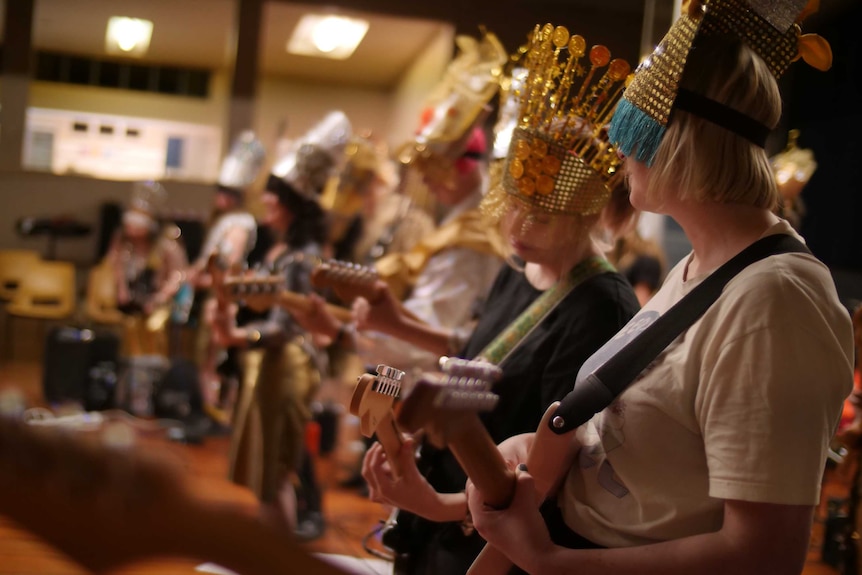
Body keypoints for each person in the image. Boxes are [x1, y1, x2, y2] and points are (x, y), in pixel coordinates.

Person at [465, 2, 854, 574]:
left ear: (675, 137)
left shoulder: (774, 302)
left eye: (629, 129)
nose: (616, 150)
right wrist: (541, 451)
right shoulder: (701, 267)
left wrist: (551, 564)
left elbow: (764, 554)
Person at [309, 24, 639, 574]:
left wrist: (436, 506)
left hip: (496, 539)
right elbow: (485, 354)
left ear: (584, 214)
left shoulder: (600, 307)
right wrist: (400, 324)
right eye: (513, 204)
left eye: (541, 214)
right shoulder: (522, 270)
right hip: (447, 508)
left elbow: (554, 469)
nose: (517, 225)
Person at [212, 111, 351, 541]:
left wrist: (239, 335)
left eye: (273, 194)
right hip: (270, 366)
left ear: (290, 200)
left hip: (284, 364)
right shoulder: (287, 249)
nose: (265, 201)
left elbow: (286, 325)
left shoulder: (299, 256)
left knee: (272, 476)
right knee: (267, 477)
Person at [190, 131, 266, 418]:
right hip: (214, 289)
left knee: (214, 353)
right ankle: (207, 405)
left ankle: (214, 408)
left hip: (224, 294)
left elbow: (229, 264)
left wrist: (204, 279)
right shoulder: (223, 220)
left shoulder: (239, 223)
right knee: (206, 353)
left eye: (227, 192)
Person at [105, 180, 187, 357]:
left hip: (157, 303)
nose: (132, 230)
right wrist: (121, 289)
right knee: (129, 335)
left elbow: (178, 275)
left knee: (154, 331)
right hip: (131, 303)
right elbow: (116, 265)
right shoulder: (123, 243)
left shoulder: (166, 244)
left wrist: (161, 297)